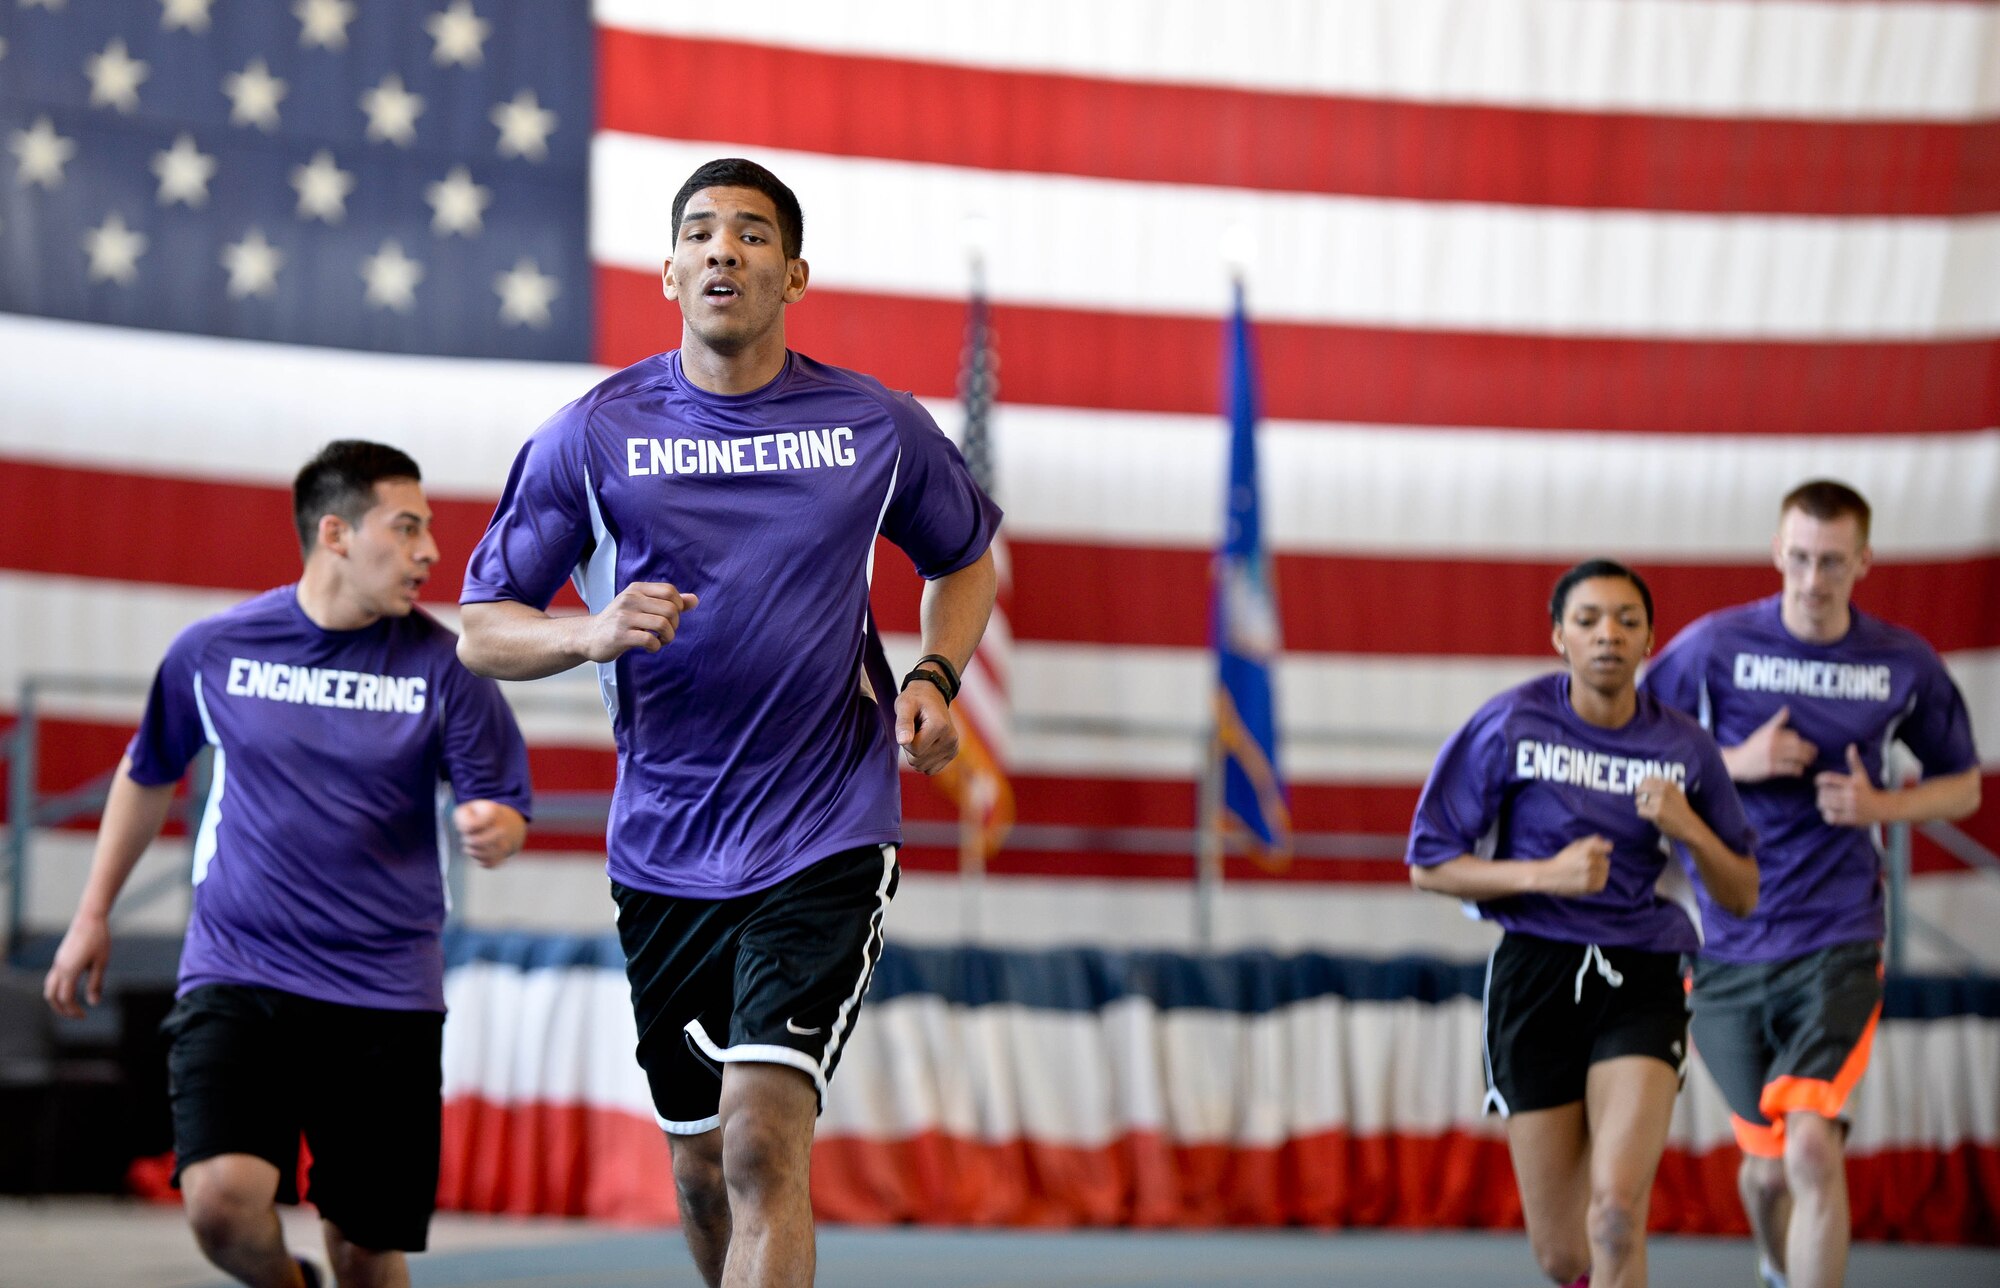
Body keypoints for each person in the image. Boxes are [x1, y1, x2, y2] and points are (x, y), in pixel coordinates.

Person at [455, 157, 1000, 1288]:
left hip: (825, 829)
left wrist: (937, 674)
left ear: (792, 273)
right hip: (664, 847)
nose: (723, 251)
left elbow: (962, 556)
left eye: (751, 235)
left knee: (761, 1137)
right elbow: (481, 629)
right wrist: (587, 633)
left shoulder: (872, 425)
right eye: (699, 233)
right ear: (666, 269)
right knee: (703, 1167)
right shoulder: (594, 434)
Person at [43, 441, 532, 1288]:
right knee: (221, 1204)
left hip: (385, 994)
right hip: (240, 972)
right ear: (335, 533)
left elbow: (503, 799)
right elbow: (147, 771)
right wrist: (91, 914)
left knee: (364, 1248)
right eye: (407, 528)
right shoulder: (216, 650)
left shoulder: (448, 668)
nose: (431, 552)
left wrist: (499, 827)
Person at [1641, 481, 1980, 1288]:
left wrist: (1883, 805)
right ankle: (1776, 1261)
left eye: (1831, 562)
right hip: (1727, 942)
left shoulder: (1901, 661)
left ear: (1863, 561)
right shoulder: (1716, 645)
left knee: (1812, 1147)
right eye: (1798, 557)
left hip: (1838, 935)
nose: (1811, 578)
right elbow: (1636, 750)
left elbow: (1961, 785)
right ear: (1775, 552)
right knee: (1766, 1173)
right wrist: (1735, 762)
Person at [1407, 560, 1759, 1288]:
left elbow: (1743, 893)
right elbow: (1429, 863)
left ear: (1650, 639)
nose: (1609, 636)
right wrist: (1543, 875)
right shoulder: (1511, 723)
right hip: (1535, 976)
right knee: (1565, 1253)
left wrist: (1688, 825)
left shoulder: (1686, 748)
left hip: (1640, 972)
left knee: (1615, 1216)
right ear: (1558, 636)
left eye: (1628, 622)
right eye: (1590, 620)